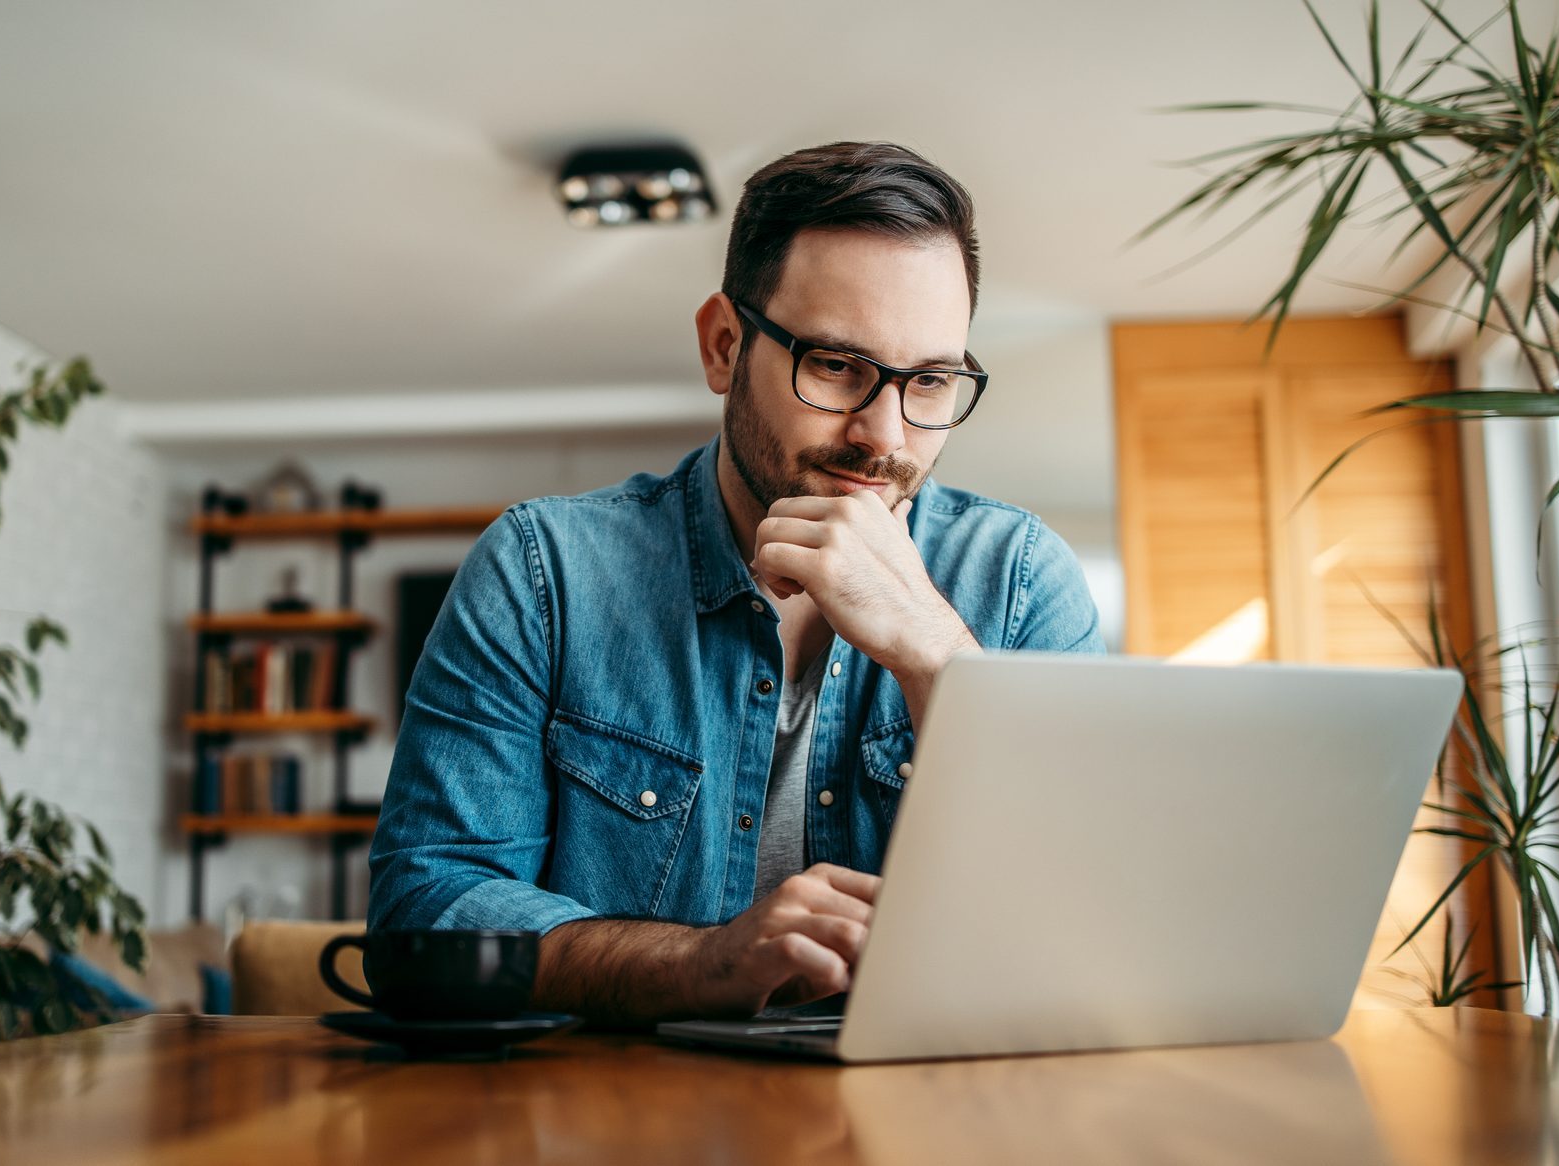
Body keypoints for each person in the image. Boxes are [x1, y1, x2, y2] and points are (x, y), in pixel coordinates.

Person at [367, 141, 1103, 1024]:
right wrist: (697, 964)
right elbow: (427, 911)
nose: (886, 435)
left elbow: (1095, 925)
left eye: (931, 381)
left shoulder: (1021, 580)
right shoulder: (543, 572)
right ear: (723, 347)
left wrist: (935, 656)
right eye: (835, 365)